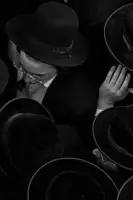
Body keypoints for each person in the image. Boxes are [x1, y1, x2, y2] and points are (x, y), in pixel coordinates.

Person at [6, 2, 98, 137]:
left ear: (60, 66)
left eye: (37, 75)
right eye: (22, 68)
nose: (26, 79)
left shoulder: (77, 101)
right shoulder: (13, 51)